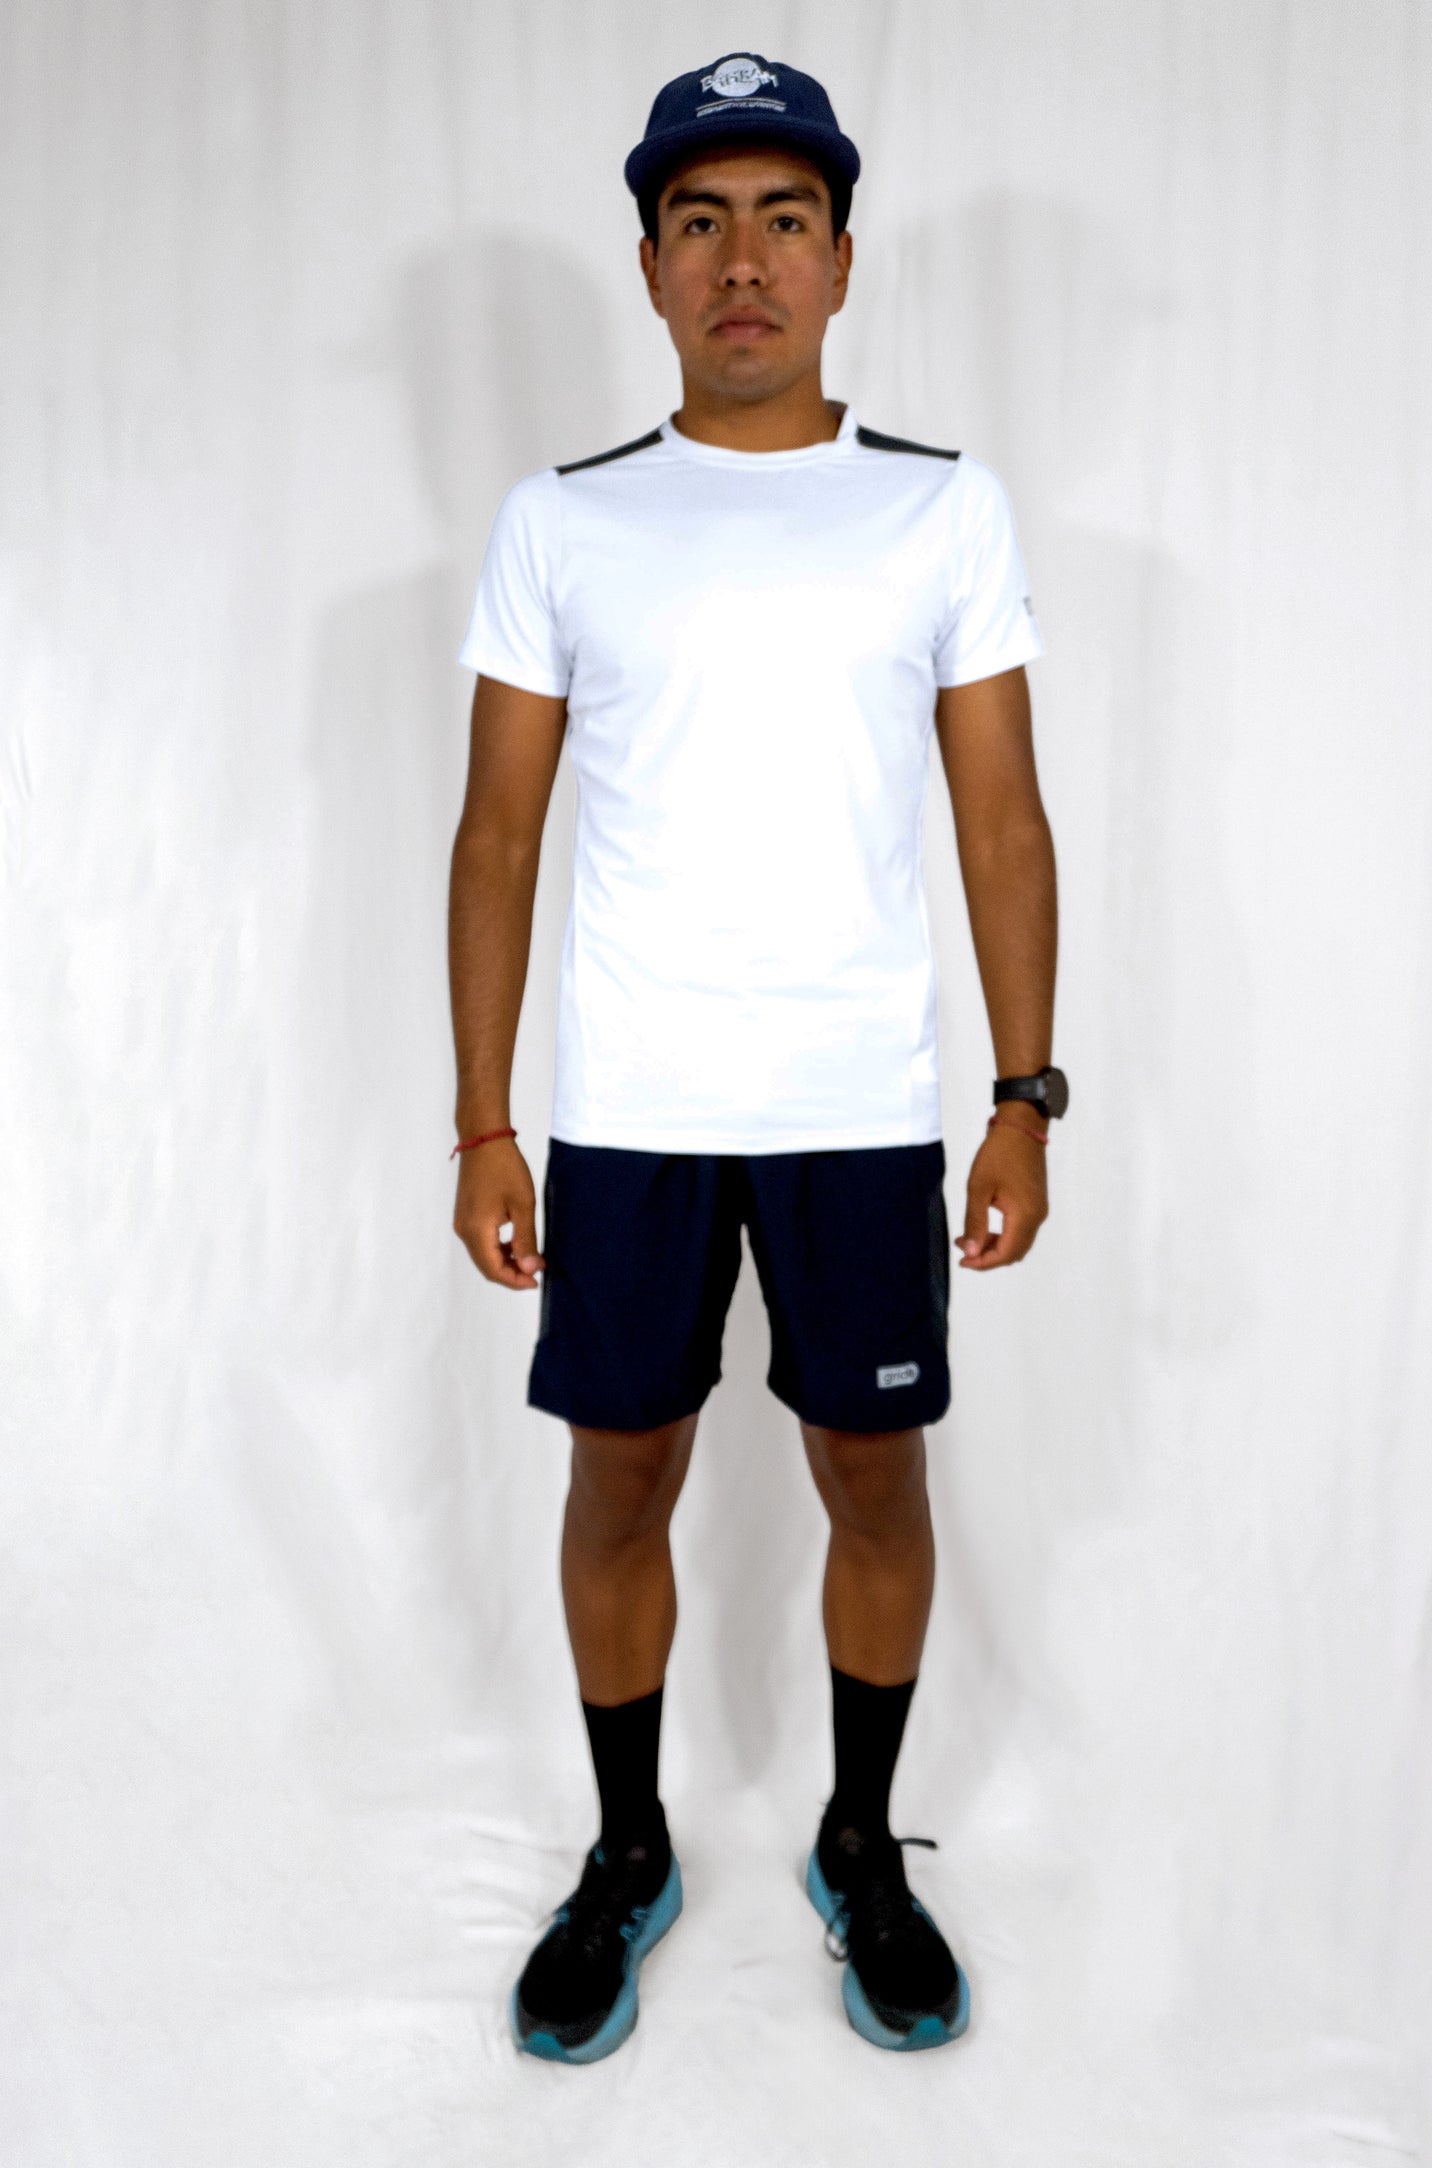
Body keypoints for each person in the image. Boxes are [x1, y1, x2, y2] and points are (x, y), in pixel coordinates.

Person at [448, 51, 1066, 2064]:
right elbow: (498, 837)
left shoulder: (939, 507)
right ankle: (626, 1849)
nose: (742, 262)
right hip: (630, 1111)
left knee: (870, 1469)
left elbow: (1000, 822)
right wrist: (482, 1124)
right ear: (648, 266)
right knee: (618, 1471)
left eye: (782, 221)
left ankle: (860, 1843)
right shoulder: (564, 521)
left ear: (841, 260)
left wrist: (1023, 1097)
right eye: (700, 222)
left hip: (857, 1107)